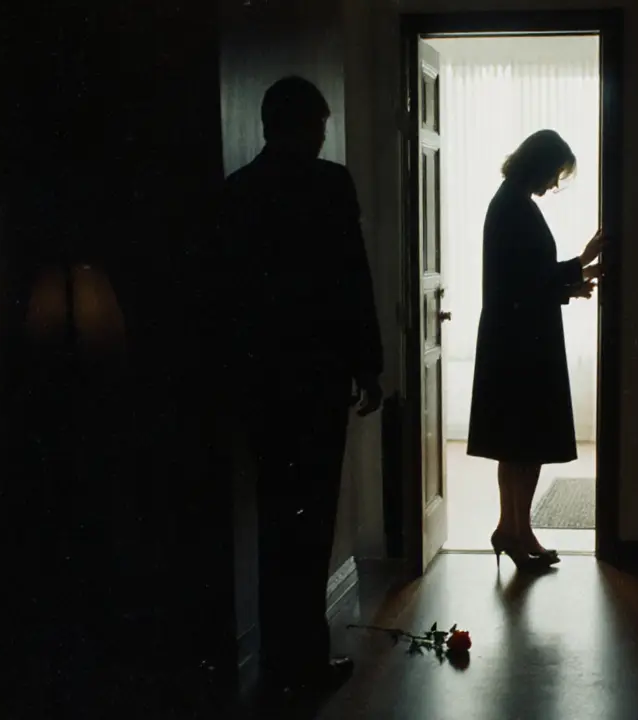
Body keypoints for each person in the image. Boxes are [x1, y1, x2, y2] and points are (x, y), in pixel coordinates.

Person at [214, 76, 383, 707]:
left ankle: (277, 661)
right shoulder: (330, 185)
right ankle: (306, 661)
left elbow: (227, 298)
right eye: (321, 124)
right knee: (311, 524)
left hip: (262, 384)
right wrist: (368, 366)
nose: (323, 136)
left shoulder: (237, 191)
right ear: (309, 124)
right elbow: (352, 279)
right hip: (316, 381)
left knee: (274, 520)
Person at [467, 129, 604, 572]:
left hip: (514, 337)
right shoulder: (515, 208)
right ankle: (515, 531)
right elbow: (527, 280)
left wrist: (570, 283)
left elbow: (524, 278)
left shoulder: (509, 202)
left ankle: (513, 529)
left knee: (516, 444)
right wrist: (579, 264)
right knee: (527, 442)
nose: (554, 183)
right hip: (523, 342)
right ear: (540, 166)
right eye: (554, 173)